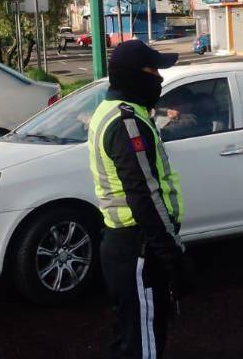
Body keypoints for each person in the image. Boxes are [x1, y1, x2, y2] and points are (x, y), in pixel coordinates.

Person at [87, 40, 190, 359]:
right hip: (137, 248)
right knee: (143, 346)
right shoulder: (126, 123)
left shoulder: (117, 113)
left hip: (127, 246)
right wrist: (172, 254)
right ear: (135, 76)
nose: (159, 77)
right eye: (153, 70)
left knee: (131, 336)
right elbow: (144, 196)